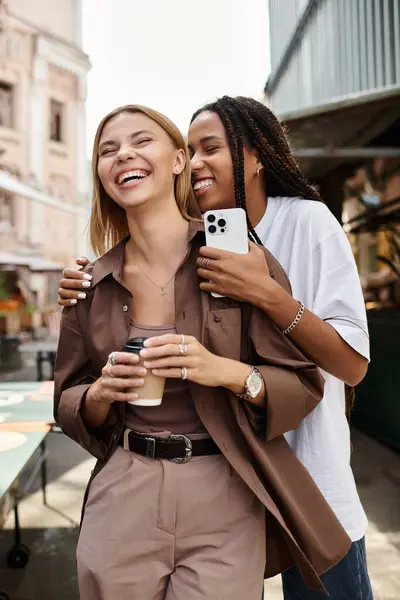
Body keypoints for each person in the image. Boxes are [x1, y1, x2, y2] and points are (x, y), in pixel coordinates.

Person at [58, 96, 373, 600]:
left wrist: (261, 303)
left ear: (256, 157)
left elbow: (340, 369)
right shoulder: (96, 281)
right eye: (107, 150)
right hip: (138, 488)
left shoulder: (275, 238)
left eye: (210, 149)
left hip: (292, 476)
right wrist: (99, 393)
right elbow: (69, 394)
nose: (200, 162)